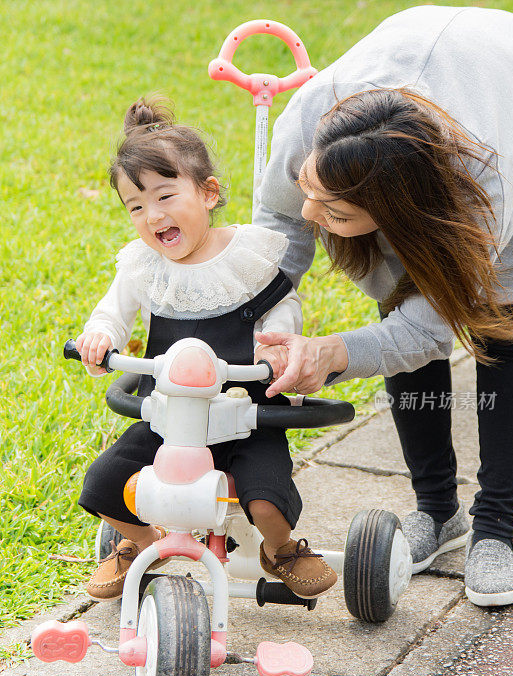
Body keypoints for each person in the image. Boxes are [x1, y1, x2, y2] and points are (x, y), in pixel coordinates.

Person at [252, 5, 513, 606]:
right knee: (396, 291)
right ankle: (437, 510)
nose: (313, 217)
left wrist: (333, 353)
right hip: (421, 62)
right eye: (313, 189)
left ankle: (496, 529)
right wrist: (262, 312)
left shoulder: (485, 187)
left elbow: (430, 329)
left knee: (510, 330)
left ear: (407, 215)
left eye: (337, 215)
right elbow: (280, 222)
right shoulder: (313, 119)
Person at [75, 94, 336, 602]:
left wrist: (278, 352)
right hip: (168, 419)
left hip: (246, 417)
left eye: (165, 196)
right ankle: (144, 545)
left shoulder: (248, 256)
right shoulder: (143, 268)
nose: (152, 216)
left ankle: (280, 548)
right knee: (105, 483)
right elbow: (112, 310)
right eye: (135, 206)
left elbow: (283, 311)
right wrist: (101, 335)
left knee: (264, 498)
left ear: (209, 192)